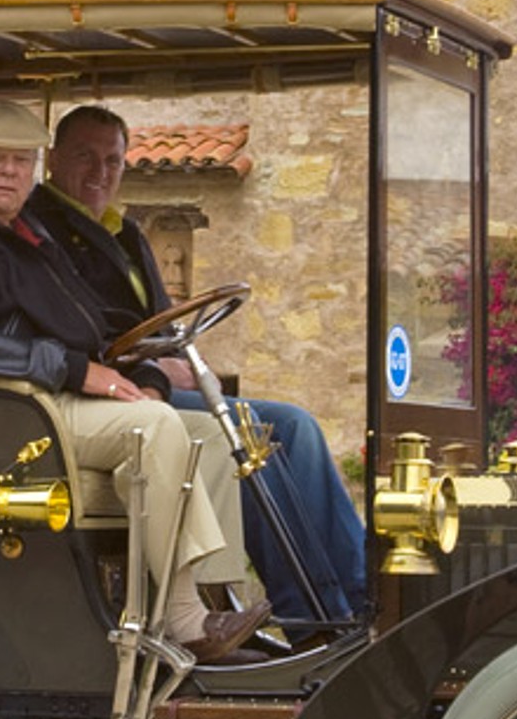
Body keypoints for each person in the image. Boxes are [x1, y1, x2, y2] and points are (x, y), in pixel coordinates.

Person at [0, 100, 272, 664]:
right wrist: (75, 370)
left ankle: (216, 602)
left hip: (44, 401)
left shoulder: (24, 234)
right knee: (155, 430)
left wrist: (141, 376)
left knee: (205, 433)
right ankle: (184, 623)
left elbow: (96, 324)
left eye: (22, 160)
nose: (11, 172)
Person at [29, 105, 370, 624]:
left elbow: (162, 317)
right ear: (53, 159)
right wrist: (156, 369)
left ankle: (359, 597)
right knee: (254, 431)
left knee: (294, 426)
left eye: (113, 161)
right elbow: (79, 332)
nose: (100, 172)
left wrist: (181, 352)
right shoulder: (42, 232)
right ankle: (311, 615)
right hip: (109, 390)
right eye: (84, 157)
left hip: (152, 375)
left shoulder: (125, 233)